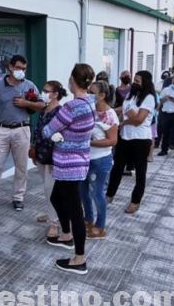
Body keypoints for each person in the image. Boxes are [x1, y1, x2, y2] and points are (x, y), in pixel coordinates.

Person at [43, 64, 95, 274]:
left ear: (73, 80)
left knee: (75, 210)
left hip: (68, 162)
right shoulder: (90, 103)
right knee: (56, 197)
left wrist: (59, 135)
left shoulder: (71, 107)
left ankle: (79, 258)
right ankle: (66, 234)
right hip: (80, 160)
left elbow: (48, 130)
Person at [0, 55, 45, 212]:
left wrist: (27, 103)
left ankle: (18, 197)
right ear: (10, 67)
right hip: (2, 129)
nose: (21, 71)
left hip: (22, 129)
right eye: (18, 68)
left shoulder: (29, 85)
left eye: (24, 69)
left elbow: (42, 104)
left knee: (21, 165)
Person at [106, 71, 156, 214]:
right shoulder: (131, 94)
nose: (134, 82)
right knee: (117, 169)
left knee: (140, 172)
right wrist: (111, 111)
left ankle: (135, 201)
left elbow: (139, 119)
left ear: (145, 82)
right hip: (125, 137)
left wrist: (124, 121)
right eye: (134, 79)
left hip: (140, 140)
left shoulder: (149, 98)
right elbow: (125, 108)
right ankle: (109, 195)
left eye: (138, 80)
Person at [81, 80, 118, 239]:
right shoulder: (88, 110)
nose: (88, 94)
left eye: (92, 92)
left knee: (97, 193)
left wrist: (88, 142)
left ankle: (100, 226)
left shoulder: (110, 115)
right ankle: (88, 219)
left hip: (100, 161)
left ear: (102, 95)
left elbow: (112, 140)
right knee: (82, 192)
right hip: (83, 160)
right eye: (88, 91)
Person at [31, 81, 66, 238]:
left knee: (50, 189)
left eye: (46, 91)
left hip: (52, 158)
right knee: (46, 188)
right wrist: (33, 149)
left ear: (55, 94)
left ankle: (54, 223)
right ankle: (50, 213)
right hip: (41, 154)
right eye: (43, 90)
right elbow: (38, 130)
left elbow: (61, 138)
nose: (43, 93)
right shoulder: (44, 109)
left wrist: (55, 161)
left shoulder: (61, 112)